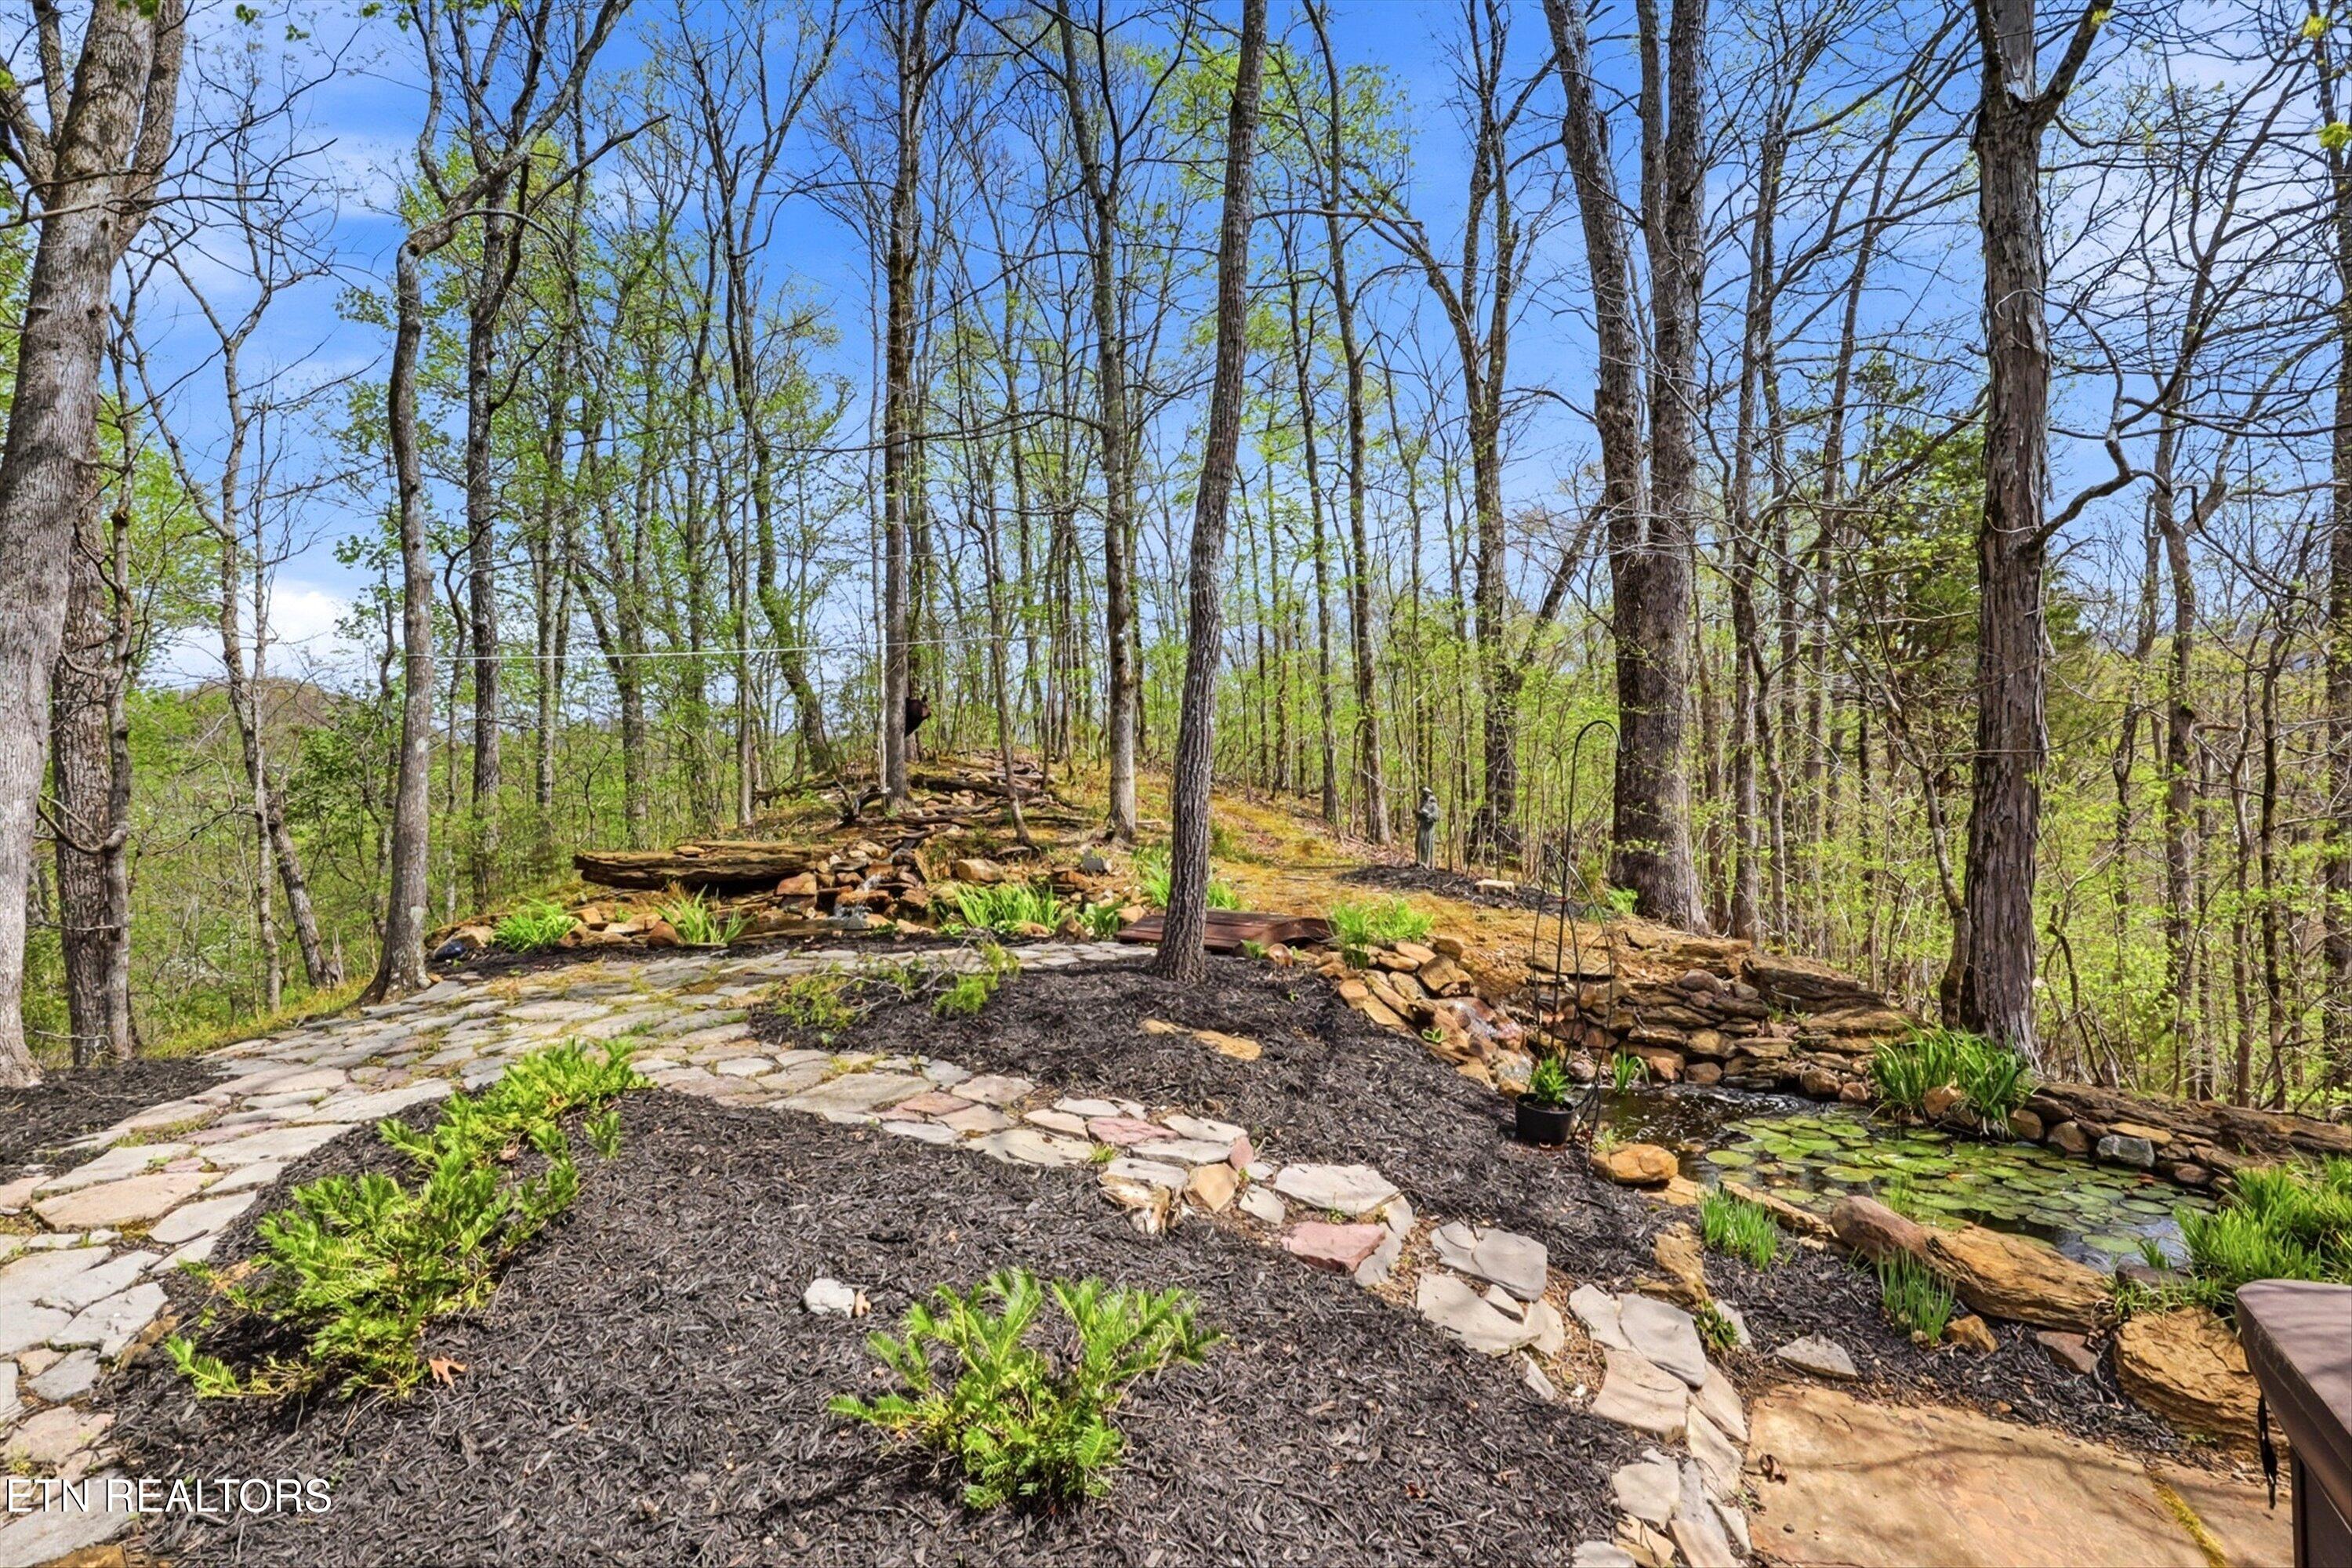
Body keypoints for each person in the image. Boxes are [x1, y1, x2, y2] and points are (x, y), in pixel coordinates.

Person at [1415, 787, 1439, 869]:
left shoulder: (1433, 804)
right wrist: (1418, 814)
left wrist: (1428, 816)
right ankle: (1419, 860)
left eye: (1425, 793)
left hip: (1429, 828)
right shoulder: (1423, 803)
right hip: (1422, 826)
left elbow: (1436, 817)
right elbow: (1420, 815)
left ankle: (1427, 863)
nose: (1423, 795)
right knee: (1420, 844)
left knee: (1427, 845)